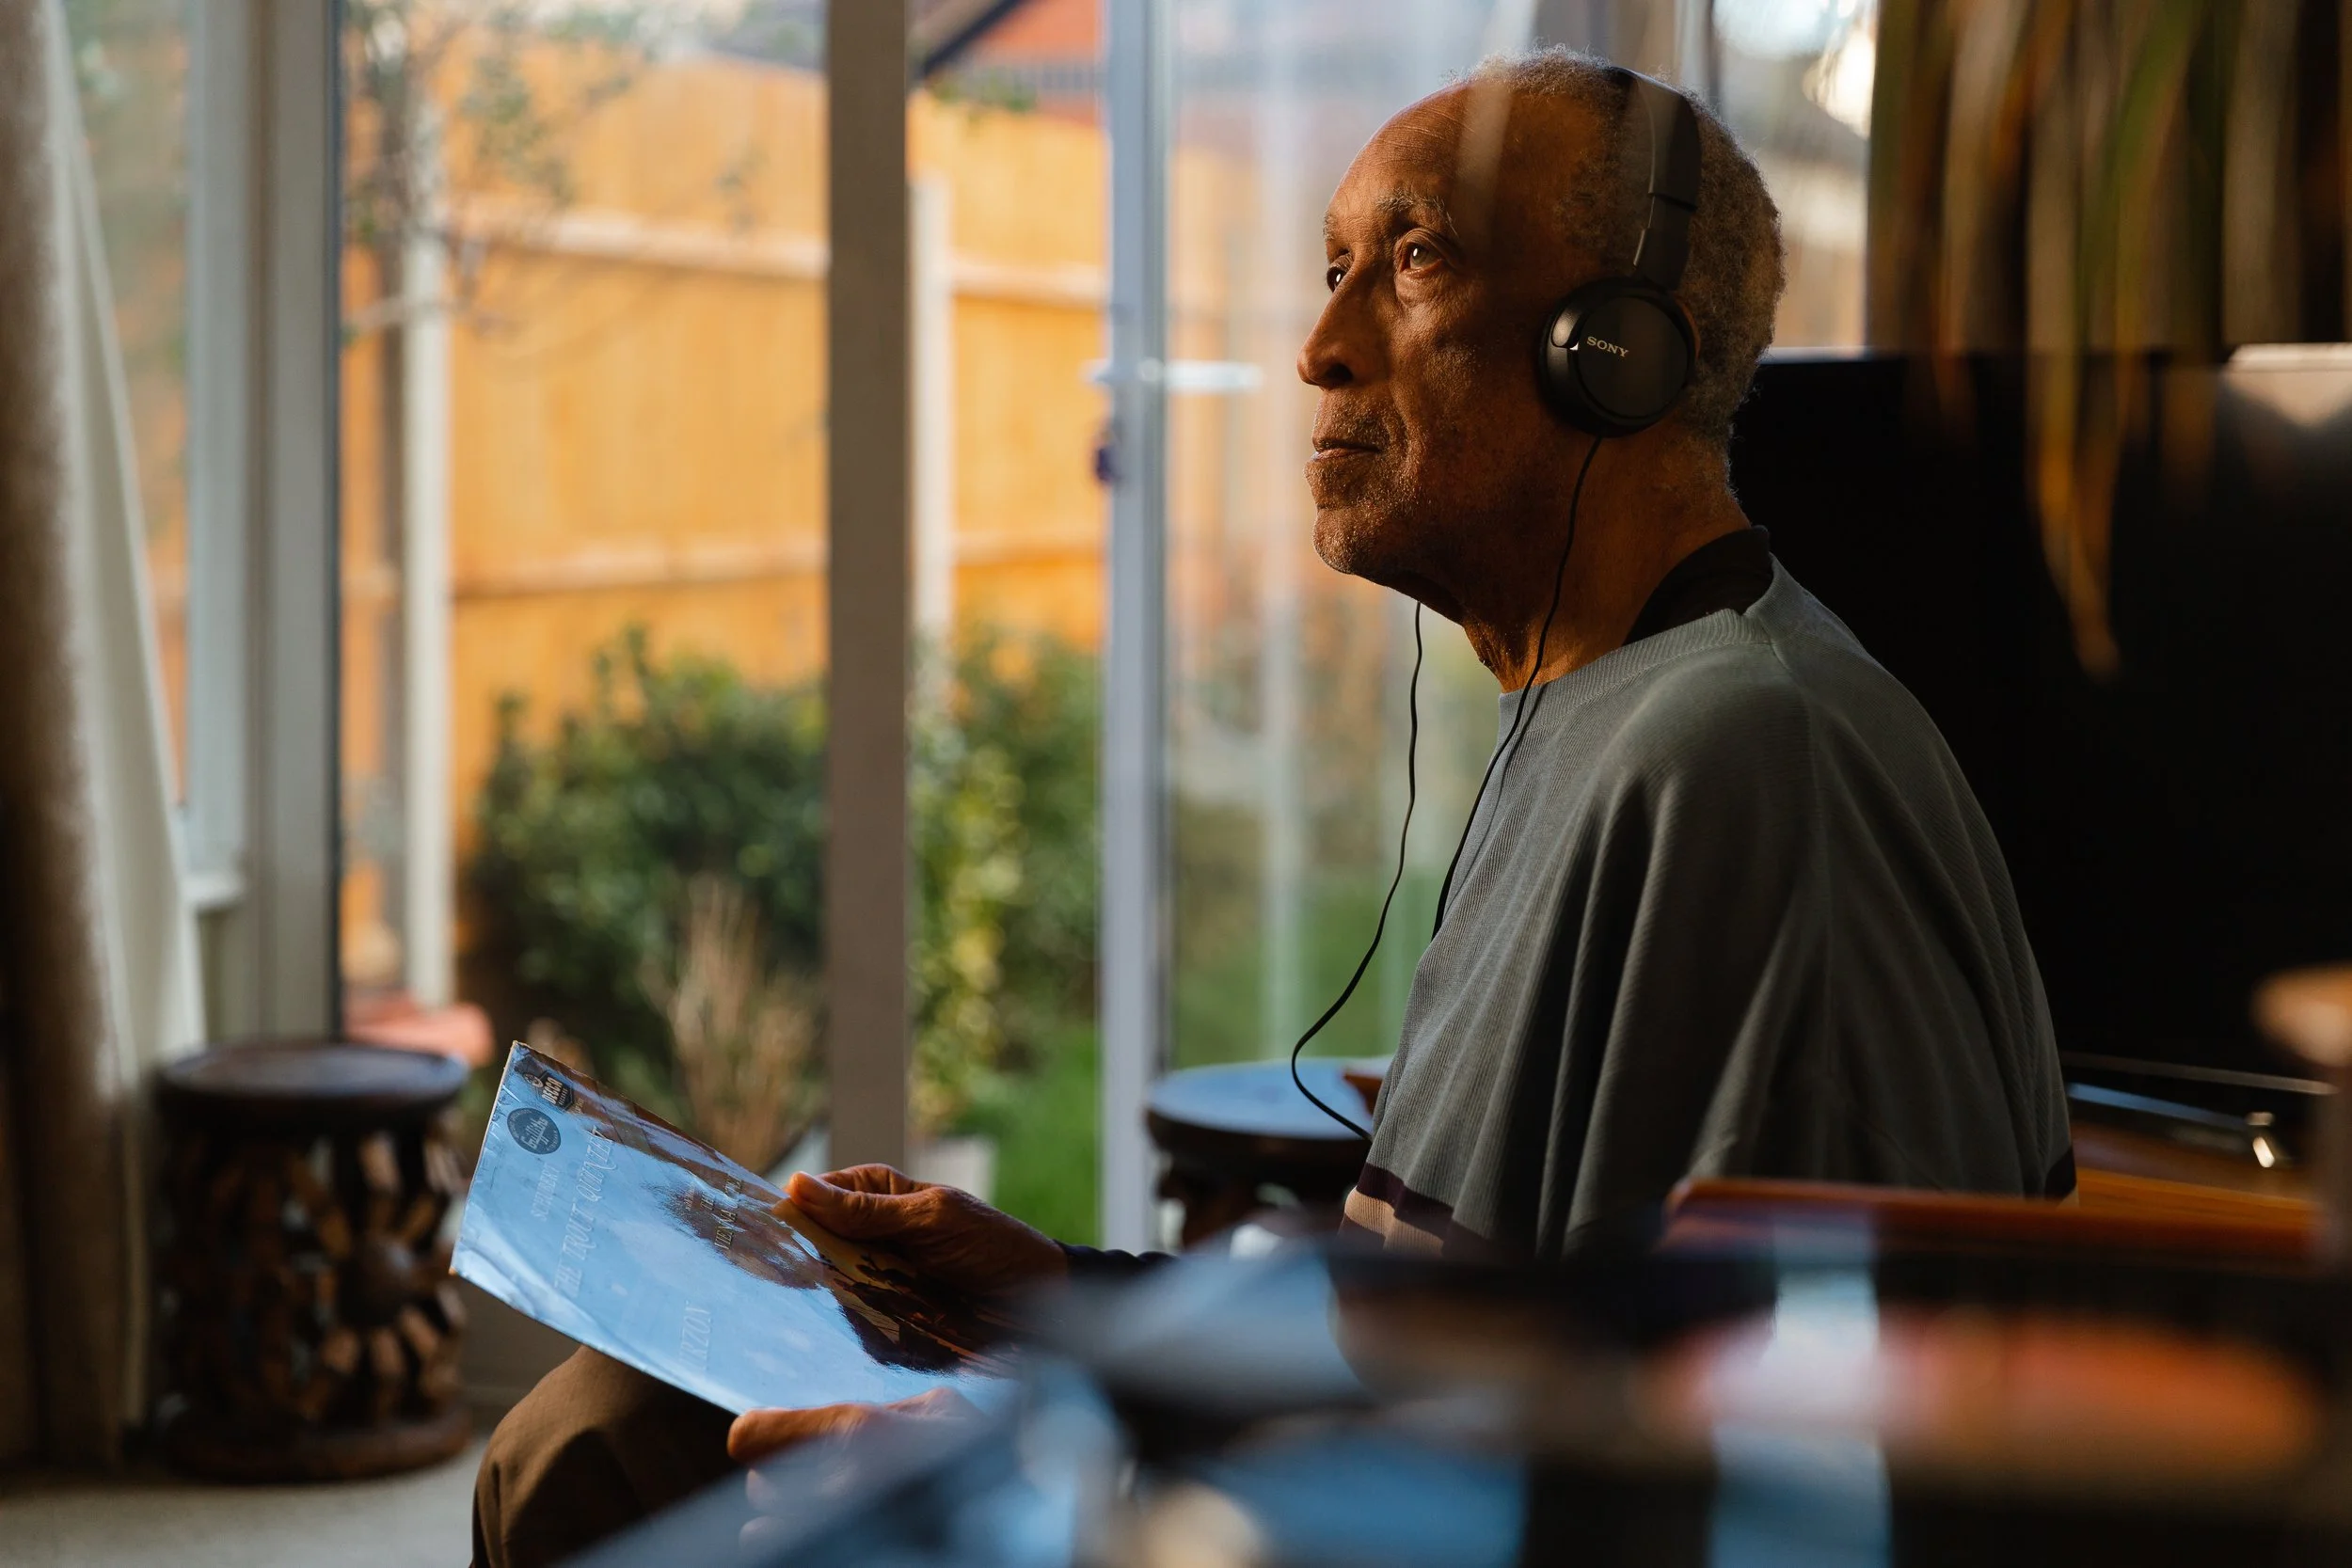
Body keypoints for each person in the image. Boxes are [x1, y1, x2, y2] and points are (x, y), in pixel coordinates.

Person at [469, 49, 2071, 1568]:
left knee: (601, 1461)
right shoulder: (1603, 713)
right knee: (620, 1412)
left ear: (1613, 354)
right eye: (1331, 270)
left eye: (1414, 260)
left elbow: (1738, 1485)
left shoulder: (1751, 761)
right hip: (1367, 1469)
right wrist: (1057, 1298)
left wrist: (1033, 1484)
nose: (1319, 346)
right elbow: (1442, 1320)